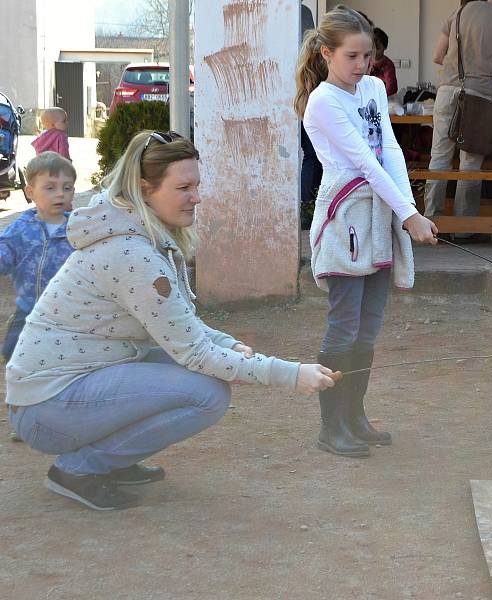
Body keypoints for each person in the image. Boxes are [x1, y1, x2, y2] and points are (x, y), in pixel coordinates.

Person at [5, 131, 335, 511]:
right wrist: (291, 375)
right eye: (183, 187)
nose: (196, 196)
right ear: (146, 189)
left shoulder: (138, 235)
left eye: (197, 184)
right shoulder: (133, 254)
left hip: (61, 392)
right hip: (45, 409)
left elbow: (181, 323)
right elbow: (194, 352)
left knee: (202, 379)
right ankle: (79, 469)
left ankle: (112, 459)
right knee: (206, 394)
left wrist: (227, 346)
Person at [294, 5, 438, 458]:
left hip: (380, 213)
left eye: (367, 56)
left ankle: (355, 418)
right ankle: (331, 426)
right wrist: (410, 216)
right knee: (344, 326)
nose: (362, 66)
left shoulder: (374, 87)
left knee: (368, 328)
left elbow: (390, 150)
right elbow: (363, 161)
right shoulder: (323, 101)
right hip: (345, 217)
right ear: (326, 54)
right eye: (352, 56)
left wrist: (407, 209)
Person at [424, 0, 492, 243]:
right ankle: (464, 228)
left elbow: (437, 56)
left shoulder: (457, 13)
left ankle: (431, 223)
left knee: (439, 158)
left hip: (447, 92)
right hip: (478, 97)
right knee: (470, 163)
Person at [0, 152, 75, 363]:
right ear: (30, 191)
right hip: (29, 309)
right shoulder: (20, 229)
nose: (60, 194)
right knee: (14, 358)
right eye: (50, 187)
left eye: (67, 187)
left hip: (69, 314)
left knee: (62, 359)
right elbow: (4, 253)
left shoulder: (79, 230)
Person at [300, 4, 323, 229]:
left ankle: (307, 206)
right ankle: (307, 206)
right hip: (307, 95)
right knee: (313, 156)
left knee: (311, 156)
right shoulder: (303, 11)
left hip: (302, 96)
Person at [370, 28, 398, 97]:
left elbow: (391, 87)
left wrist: (381, 98)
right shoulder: (365, 61)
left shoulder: (388, 65)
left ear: (385, 47)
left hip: (384, 97)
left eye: (378, 48)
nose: (375, 51)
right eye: (372, 48)